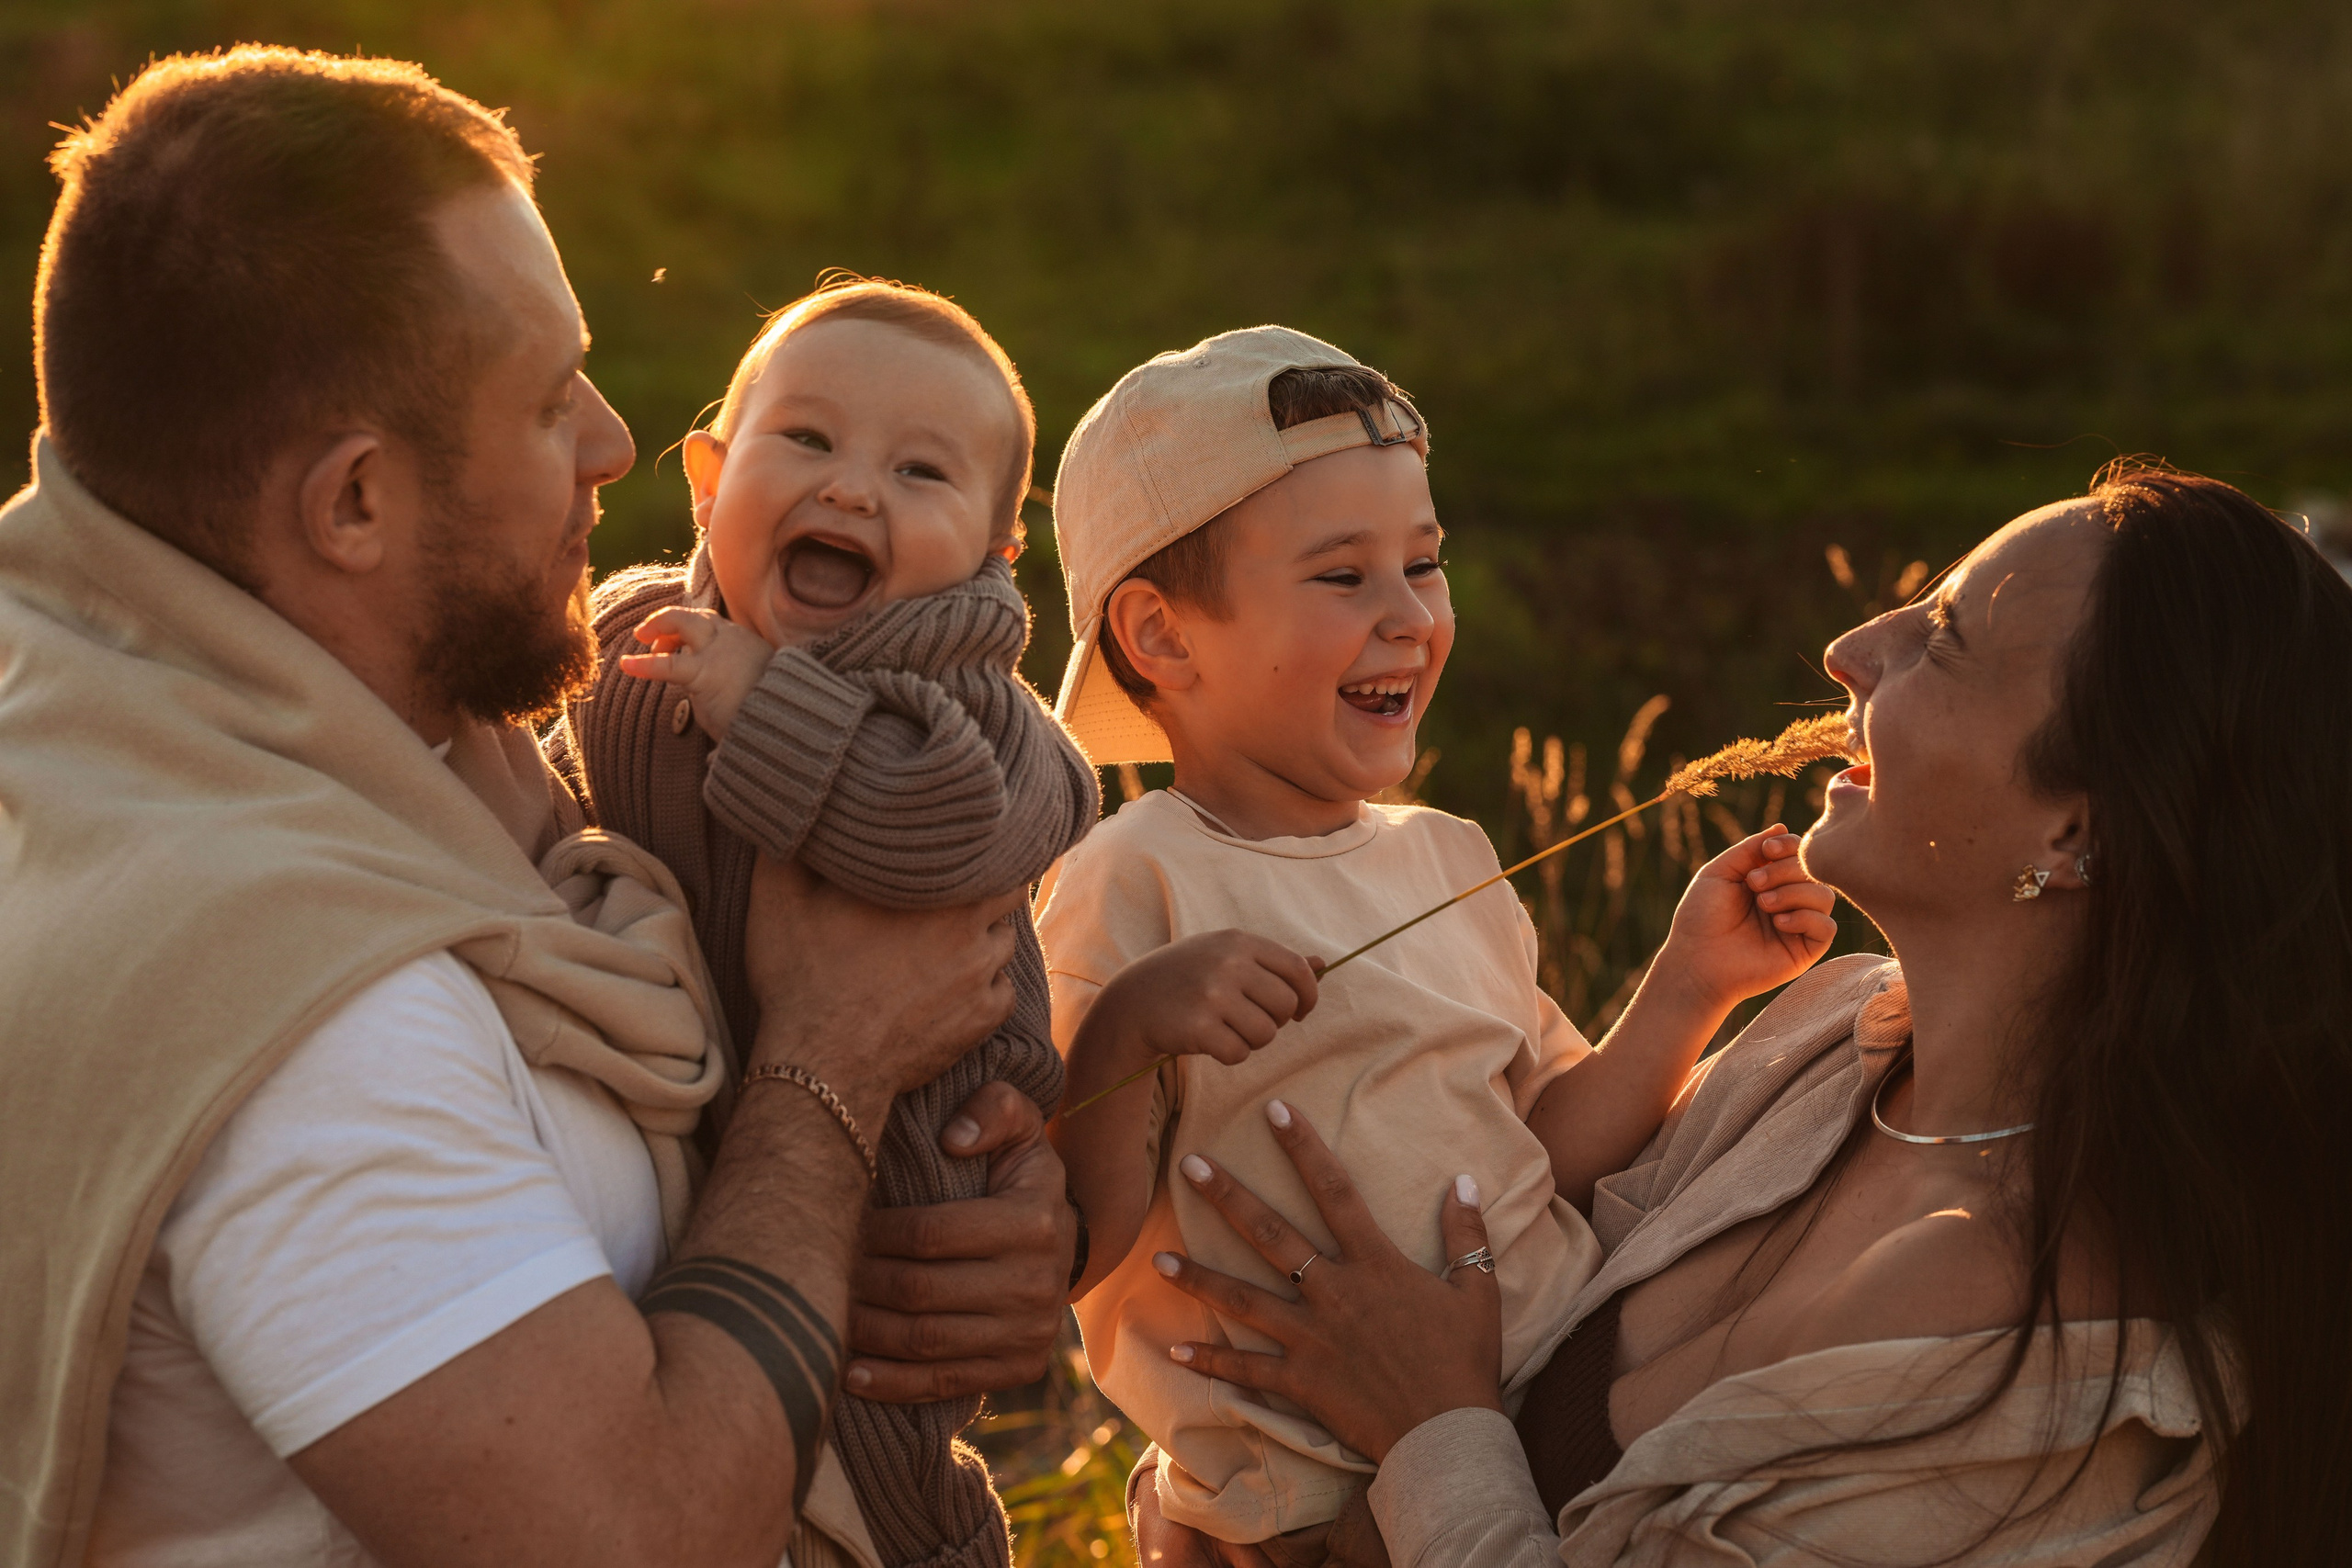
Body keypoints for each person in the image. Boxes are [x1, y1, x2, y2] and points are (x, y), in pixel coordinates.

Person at [0, 49, 1071, 1568]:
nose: (615, 446)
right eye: (546, 399)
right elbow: (642, 1539)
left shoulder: (162, 706)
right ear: (353, 503)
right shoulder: (296, 1018)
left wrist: (967, 1202)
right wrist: (831, 1070)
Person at [1140, 463, 2352, 1565]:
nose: (1847, 650)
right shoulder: (1831, 1037)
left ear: (2077, 827)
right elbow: (1484, 1259)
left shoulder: (2023, 1338)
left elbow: (1437, 1394)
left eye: (1947, 638)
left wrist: (1430, 1429)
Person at [1035, 326, 1839, 1556]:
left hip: (1542, 1430)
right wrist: (1131, 1023)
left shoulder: (1449, 857)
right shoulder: (1131, 878)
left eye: (1425, 563)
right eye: (1343, 577)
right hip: (1305, 1507)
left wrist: (1691, 985)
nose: (1410, 616)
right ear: (1161, 637)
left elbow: (1537, 1154)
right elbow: (1072, 1244)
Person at [548, 274, 1098, 1568]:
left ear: (993, 550)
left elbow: (940, 833)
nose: (852, 489)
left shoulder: (979, 717)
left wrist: (766, 705)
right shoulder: (639, 641)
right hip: (707, 1141)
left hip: (906, 1155)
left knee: (876, 1439)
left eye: (920, 472)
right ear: (706, 479)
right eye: (807, 441)